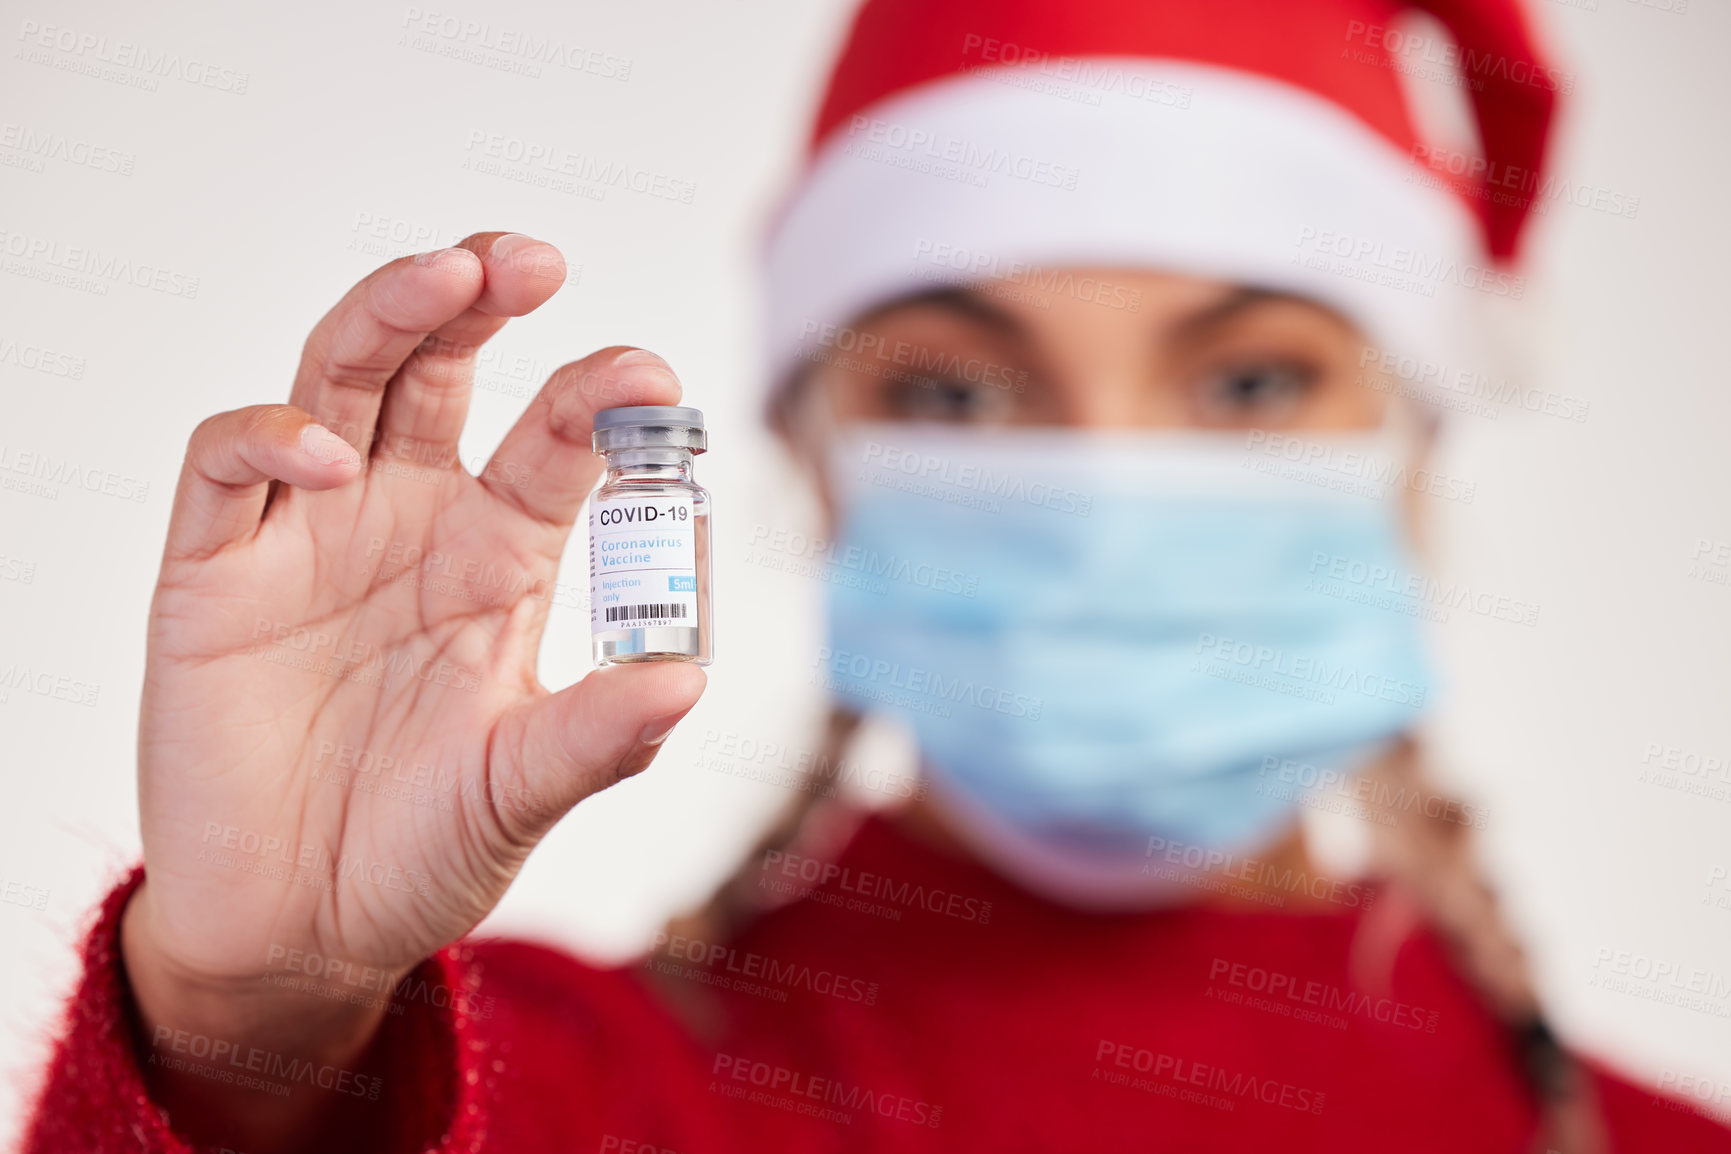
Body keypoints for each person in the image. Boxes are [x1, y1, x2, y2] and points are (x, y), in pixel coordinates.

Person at [23, 0, 1731, 1151]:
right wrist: (250, 1022)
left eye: (1252, 379)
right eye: (956, 389)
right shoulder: (498, 1092)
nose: (1101, 497)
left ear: (1413, 447)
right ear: (814, 458)